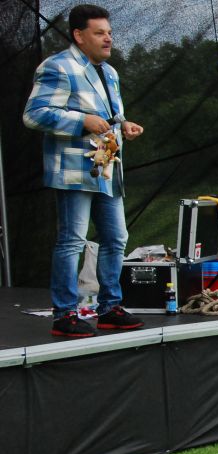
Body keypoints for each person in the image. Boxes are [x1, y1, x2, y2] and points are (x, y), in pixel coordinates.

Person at [23, 3, 145, 338]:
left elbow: (110, 115)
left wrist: (124, 125)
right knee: (73, 240)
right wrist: (82, 121)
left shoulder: (110, 72)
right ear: (79, 35)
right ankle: (64, 314)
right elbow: (34, 114)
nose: (108, 39)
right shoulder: (58, 66)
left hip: (107, 167)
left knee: (116, 238)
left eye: (109, 32)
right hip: (74, 170)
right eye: (99, 33)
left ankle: (109, 308)